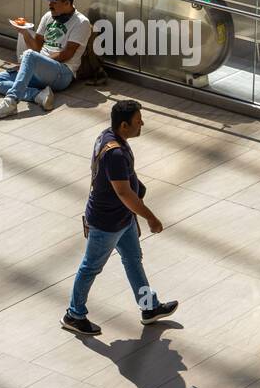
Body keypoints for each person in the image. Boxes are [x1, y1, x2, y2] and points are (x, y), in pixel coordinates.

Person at [62, 100, 179, 336]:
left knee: (133, 259)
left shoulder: (108, 137)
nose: (142, 124)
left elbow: (123, 180)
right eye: (138, 121)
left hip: (122, 219)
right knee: (90, 267)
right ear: (124, 125)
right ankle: (74, 314)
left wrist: (139, 187)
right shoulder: (114, 153)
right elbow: (123, 192)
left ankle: (149, 307)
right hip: (106, 223)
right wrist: (151, 218)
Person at [0, 0, 91, 119]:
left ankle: (11, 102)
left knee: (29, 55)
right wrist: (24, 33)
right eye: (49, 1)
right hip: (41, 69)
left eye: (54, 2)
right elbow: (36, 47)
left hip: (62, 73)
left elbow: (67, 54)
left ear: (67, 3)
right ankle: (37, 95)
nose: (50, 5)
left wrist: (34, 62)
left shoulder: (81, 22)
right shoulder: (48, 16)